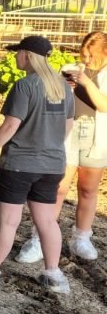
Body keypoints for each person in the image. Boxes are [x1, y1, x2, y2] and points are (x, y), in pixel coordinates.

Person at [0, 36, 74, 294]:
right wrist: (50, 144)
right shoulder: (63, 87)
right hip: (52, 164)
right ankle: (54, 275)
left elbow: (11, 124)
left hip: (20, 163)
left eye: (17, 53)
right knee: (47, 221)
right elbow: (68, 125)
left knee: (8, 222)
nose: (15, 57)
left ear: (27, 55)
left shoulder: (25, 85)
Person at [17, 30, 107, 263]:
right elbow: (54, 98)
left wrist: (86, 82)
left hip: (96, 135)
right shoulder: (71, 69)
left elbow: (104, 105)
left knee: (88, 190)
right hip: (69, 131)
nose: (86, 59)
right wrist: (65, 86)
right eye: (84, 54)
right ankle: (39, 239)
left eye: (92, 55)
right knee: (57, 188)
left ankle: (81, 238)